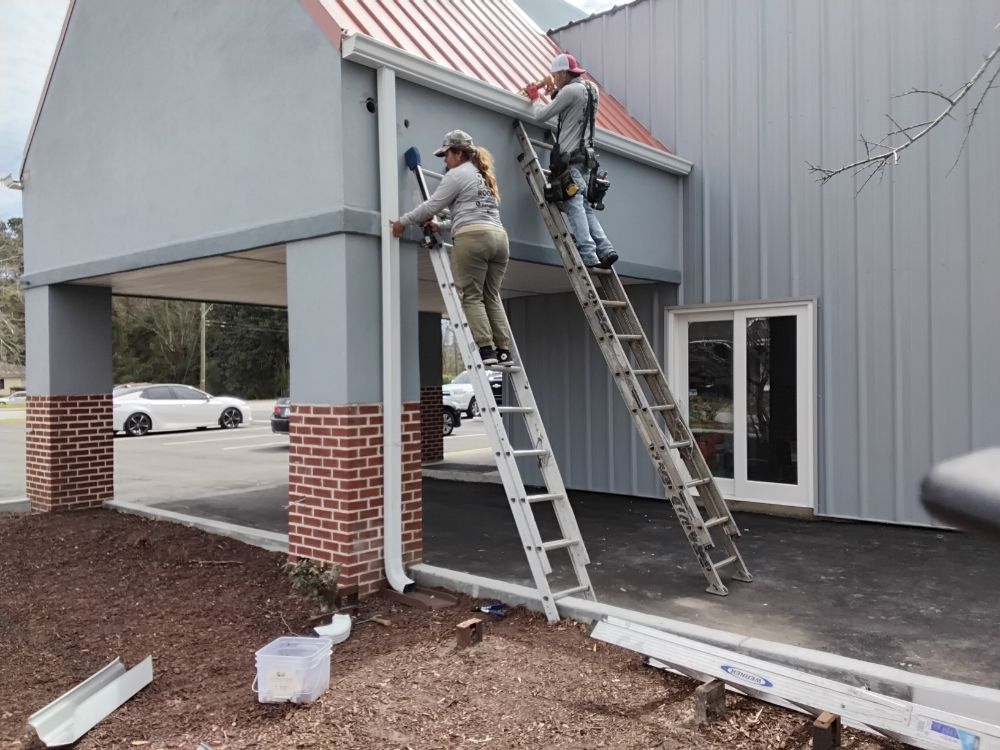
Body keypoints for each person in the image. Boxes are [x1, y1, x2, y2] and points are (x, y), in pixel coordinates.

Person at [391, 130, 514, 366]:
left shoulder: (457, 175)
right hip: (499, 239)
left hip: (473, 240)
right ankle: (503, 351)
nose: (445, 161)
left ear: (458, 153)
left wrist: (402, 222)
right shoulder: (483, 175)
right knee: (491, 296)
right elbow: (469, 214)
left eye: (446, 155)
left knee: (471, 296)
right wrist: (441, 226)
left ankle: (486, 349)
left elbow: (432, 207)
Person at [523, 53, 618, 269]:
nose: (555, 79)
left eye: (556, 76)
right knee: (584, 206)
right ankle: (605, 249)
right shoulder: (591, 89)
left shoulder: (570, 91)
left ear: (565, 74)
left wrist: (535, 98)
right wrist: (555, 93)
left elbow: (541, 115)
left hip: (570, 158)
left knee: (574, 205)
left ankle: (588, 254)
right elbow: (572, 110)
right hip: (586, 159)